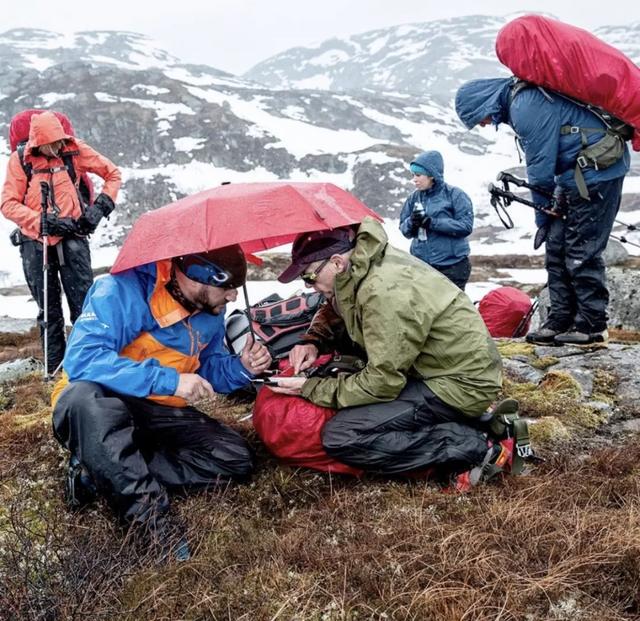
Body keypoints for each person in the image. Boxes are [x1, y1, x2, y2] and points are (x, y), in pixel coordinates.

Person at [50, 245, 272, 559]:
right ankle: (153, 526)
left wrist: (242, 368)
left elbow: (207, 370)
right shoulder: (119, 289)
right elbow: (83, 360)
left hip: (159, 407)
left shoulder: (211, 312)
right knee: (82, 398)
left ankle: (99, 471)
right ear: (200, 278)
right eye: (228, 288)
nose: (233, 297)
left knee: (234, 458)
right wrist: (169, 381)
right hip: (100, 402)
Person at [271, 218, 523, 487]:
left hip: (458, 383)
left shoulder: (384, 292)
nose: (308, 285)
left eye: (309, 276)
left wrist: (311, 387)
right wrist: (314, 341)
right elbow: (340, 305)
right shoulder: (362, 264)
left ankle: (473, 447)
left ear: (336, 262)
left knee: (344, 435)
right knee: (362, 404)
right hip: (437, 369)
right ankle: (481, 424)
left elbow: (383, 382)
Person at [455, 78, 630, 346]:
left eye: (479, 117)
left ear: (484, 102)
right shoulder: (518, 102)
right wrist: (548, 219)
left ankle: (592, 326)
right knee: (557, 247)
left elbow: (539, 168)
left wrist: (543, 217)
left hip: (597, 175)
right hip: (572, 177)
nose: (483, 124)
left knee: (581, 251)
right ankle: (560, 319)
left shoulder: (526, 106)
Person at [1, 110, 122, 372]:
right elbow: (8, 204)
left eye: (59, 141)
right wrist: (40, 221)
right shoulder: (20, 160)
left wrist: (100, 207)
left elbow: (112, 173)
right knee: (49, 310)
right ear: (37, 142)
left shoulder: (74, 150)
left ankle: (88, 366)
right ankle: (54, 370)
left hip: (73, 238)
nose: (57, 148)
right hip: (36, 242)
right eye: (51, 144)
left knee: (84, 307)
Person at [399, 150, 474, 290]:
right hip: (422, 267)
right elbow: (404, 230)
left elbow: (465, 226)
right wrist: (412, 223)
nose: (414, 179)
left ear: (431, 175)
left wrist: (431, 223)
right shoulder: (413, 198)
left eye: (418, 175)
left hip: (452, 267)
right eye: (413, 175)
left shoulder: (455, 195)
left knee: (451, 310)